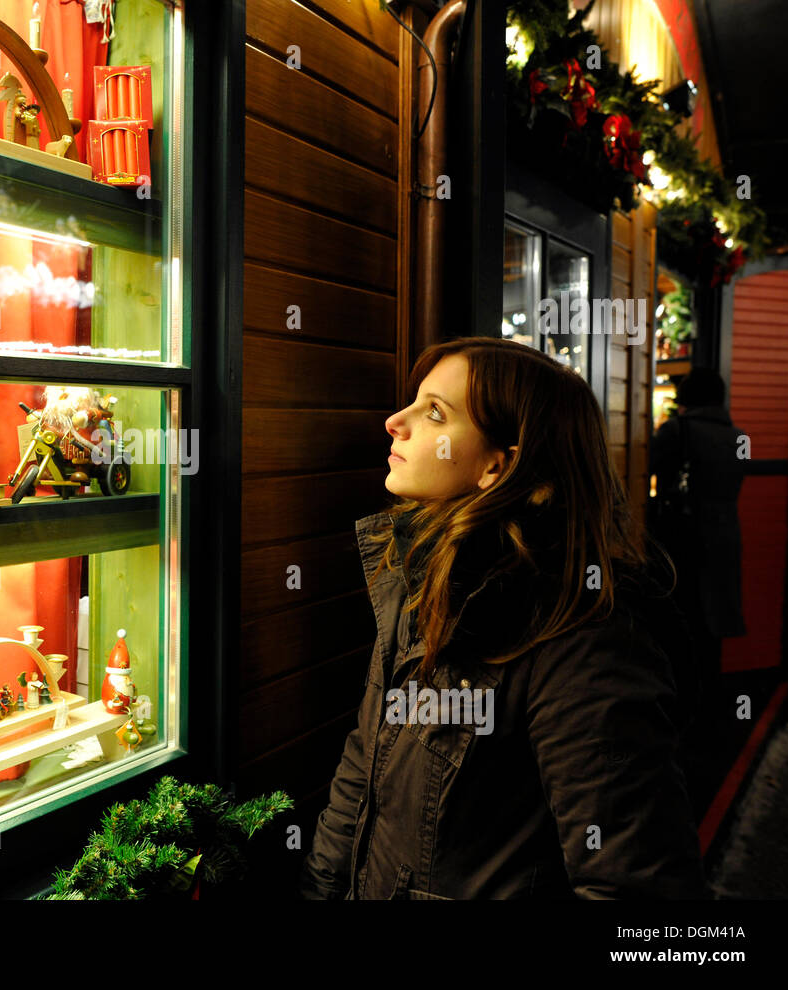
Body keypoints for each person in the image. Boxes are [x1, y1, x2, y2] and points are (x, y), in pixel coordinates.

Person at [300, 337, 706, 899]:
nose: (397, 421)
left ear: (498, 465)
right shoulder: (422, 577)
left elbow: (637, 889)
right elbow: (363, 768)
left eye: (435, 413)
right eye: (414, 402)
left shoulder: (581, 639)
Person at [649, 368, 747, 818]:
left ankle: (682, 716)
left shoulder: (678, 430)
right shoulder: (738, 436)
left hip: (683, 537)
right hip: (725, 534)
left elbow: (647, 467)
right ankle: (714, 715)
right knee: (713, 623)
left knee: (680, 621)